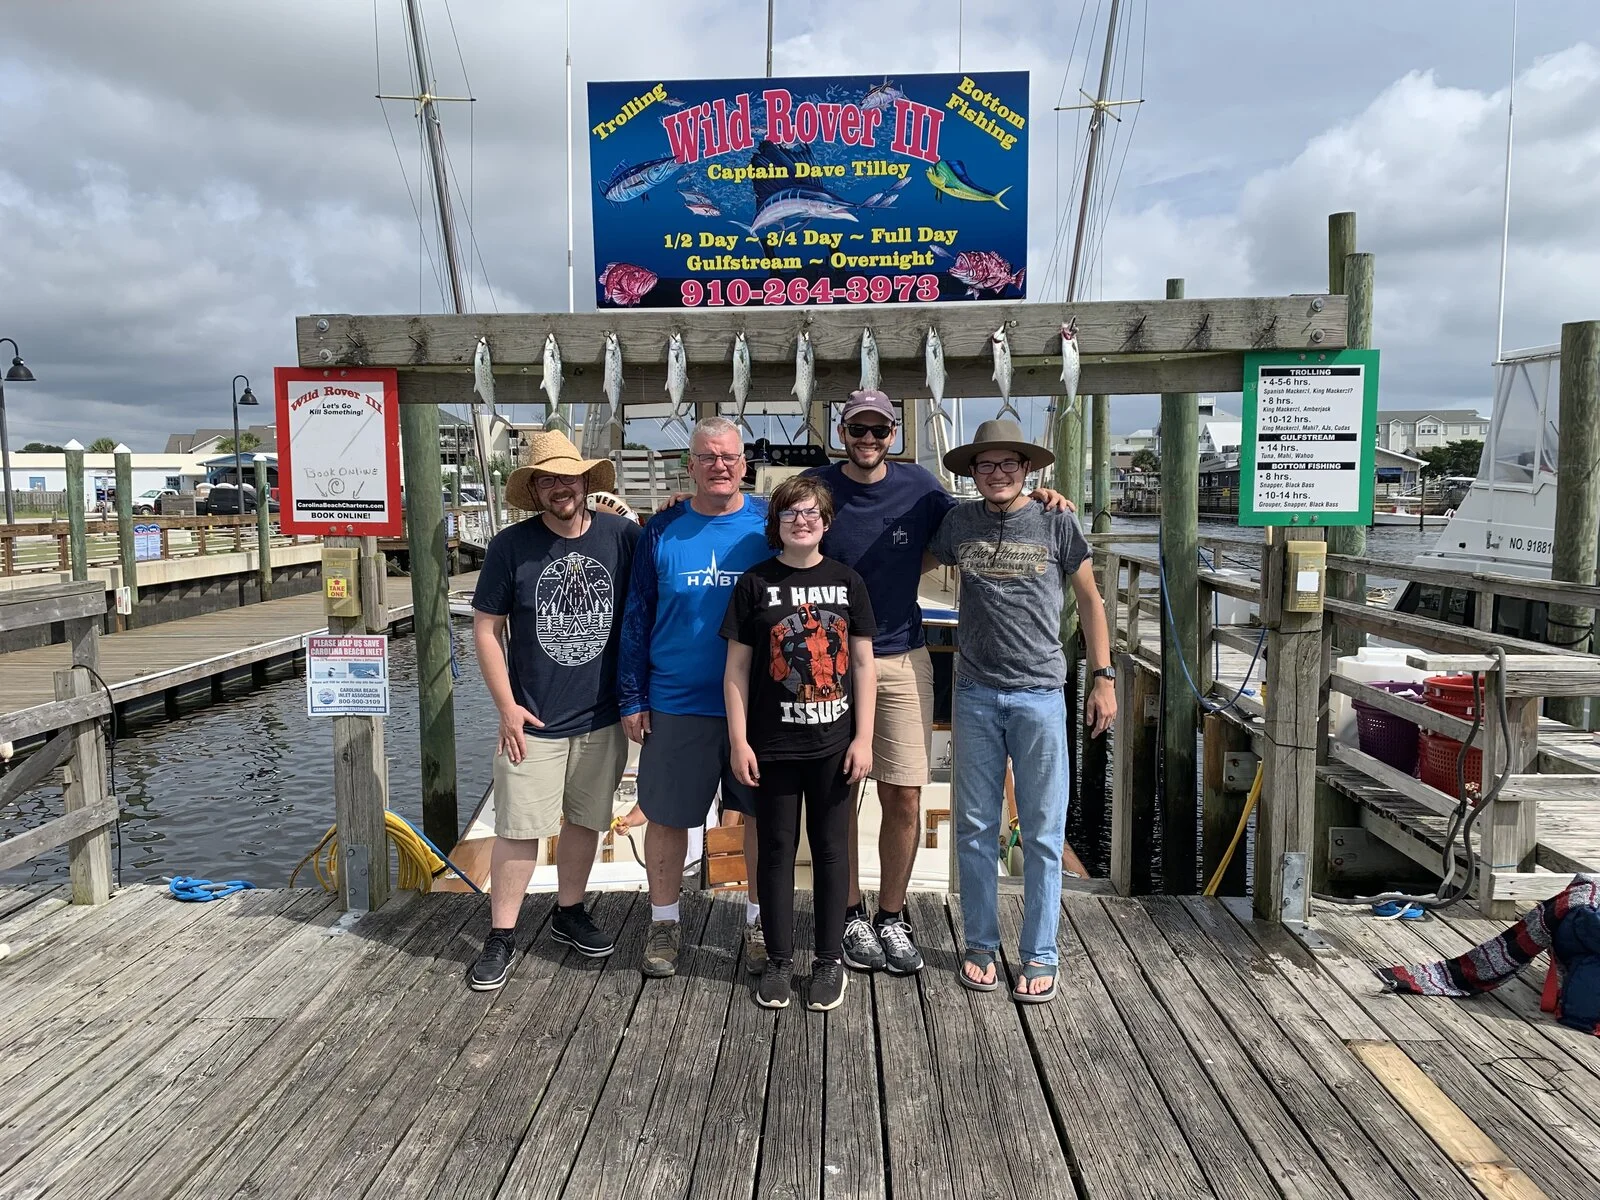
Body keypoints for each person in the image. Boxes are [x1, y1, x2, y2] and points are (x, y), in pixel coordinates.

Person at [802, 389, 1071, 977]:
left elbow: (984, 515)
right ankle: (849, 912)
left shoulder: (923, 488)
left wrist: (1042, 497)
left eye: (879, 430)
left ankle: (891, 915)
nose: (868, 439)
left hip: (902, 656)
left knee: (905, 792)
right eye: (857, 429)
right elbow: (756, 517)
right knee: (838, 793)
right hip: (827, 661)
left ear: (893, 435)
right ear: (841, 433)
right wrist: (680, 502)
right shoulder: (815, 485)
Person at [929, 418, 1116, 1004]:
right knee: (976, 828)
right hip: (974, 693)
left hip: (1041, 694)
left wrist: (1103, 677)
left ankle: (1041, 952)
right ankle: (980, 944)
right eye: (986, 464)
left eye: (1009, 463)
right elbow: (904, 562)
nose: (998, 473)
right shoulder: (958, 522)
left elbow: (1090, 601)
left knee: (1042, 831)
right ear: (972, 472)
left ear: (1027, 469)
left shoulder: (1057, 519)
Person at [466, 431, 642, 991]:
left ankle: (569, 911)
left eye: (568, 477)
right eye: (547, 480)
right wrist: (506, 707)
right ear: (534, 489)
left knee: (586, 820)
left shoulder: (623, 537)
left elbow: (649, 607)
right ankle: (501, 934)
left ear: (586, 481)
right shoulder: (510, 545)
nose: (559, 488)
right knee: (518, 829)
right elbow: (487, 629)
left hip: (603, 716)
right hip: (533, 720)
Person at [620, 417, 769, 979]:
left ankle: (760, 923)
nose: (719, 466)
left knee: (759, 817)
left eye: (728, 456)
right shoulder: (662, 529)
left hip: (759, 706)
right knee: (666, 817)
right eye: (707, 457)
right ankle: (664, 922)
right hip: (677, 701)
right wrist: (632, 695)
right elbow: (637, 616)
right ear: (691, 465)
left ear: (744, 463)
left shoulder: (772, 523)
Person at [722, 475, 877, 1011]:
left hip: (834, 743)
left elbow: (863, 665)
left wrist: (863, 738)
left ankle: (829, 960)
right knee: (776, 850)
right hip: (773, 743)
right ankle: (780, 960)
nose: (801, 521)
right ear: (777, 524)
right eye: (790, 513)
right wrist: (739, 741)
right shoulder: (755, 583)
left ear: (826, 522)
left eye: (811, 512)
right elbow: (737, 671)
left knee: (832, 850)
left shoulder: (848, 581)